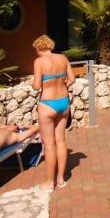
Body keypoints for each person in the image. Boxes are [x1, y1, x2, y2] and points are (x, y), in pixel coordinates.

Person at [31, 34, 75, 191]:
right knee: (61, 141)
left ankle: (50, 182)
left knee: (49, 144)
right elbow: (72, 79)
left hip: (48, 104)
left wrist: (33, 82)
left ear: (39, 47)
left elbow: (37, 86)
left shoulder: (39, 61)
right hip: (64, 102)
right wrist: (62, 86)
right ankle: (61, 179)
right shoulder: (63, 58)